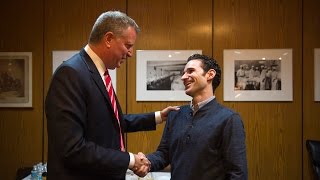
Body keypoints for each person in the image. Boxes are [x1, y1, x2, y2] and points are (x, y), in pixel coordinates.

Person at [45, 11, 178, 180]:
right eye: (128, 46)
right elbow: (72, 148)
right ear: (108, 39)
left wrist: (158, 116)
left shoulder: (96, 73)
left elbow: (111, 122)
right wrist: (130, 160)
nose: (130, 53)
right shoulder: (71, 73)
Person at [145, 54, 248, 179]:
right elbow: (164, 154)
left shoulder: (229, 119)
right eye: (183, 73)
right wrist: (145, 162)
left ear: (210, 74)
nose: (183, 77)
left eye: (190, 71)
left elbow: (237, 173)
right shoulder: (175, 114)